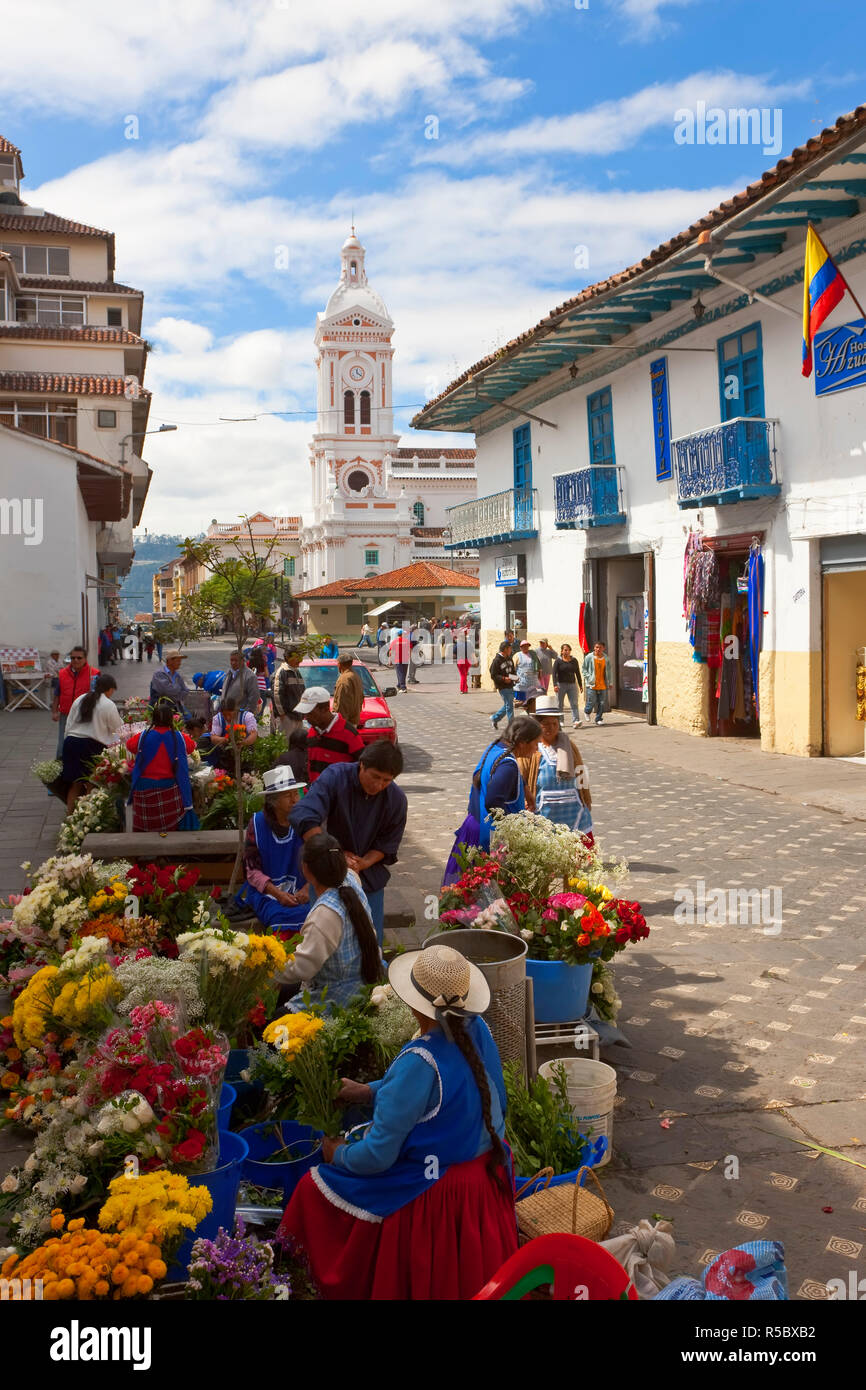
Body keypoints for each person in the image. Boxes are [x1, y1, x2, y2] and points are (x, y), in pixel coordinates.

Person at [277, 943, 517, 1301]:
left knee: (315, 1186)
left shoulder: (419, 1060)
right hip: (483, 1178)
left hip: (436, 1193)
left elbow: (377, 1157)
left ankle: (329, 1280)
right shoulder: (477, 1029)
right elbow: (450, 1092)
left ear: (411, 1002)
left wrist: (337, 1154)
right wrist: (369, 1091)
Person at [289, 739, 407, 945]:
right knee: (322, 940)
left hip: (368, 877)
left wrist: (361, 864)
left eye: (387, 780)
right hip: (327, 872)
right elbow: (304, 815)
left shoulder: (396, 799)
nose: (379, 785)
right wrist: (334, 854)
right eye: (375, 776)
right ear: (362, 764)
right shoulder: (336, 777)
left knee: (369, 942)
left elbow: (387, 844)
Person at [276, 832, 381, 1010]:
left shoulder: (324, 915)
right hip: (365, 975)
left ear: (306, 869)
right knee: (287, 990)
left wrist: (262, 969)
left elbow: (302, 968)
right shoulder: (351, 878)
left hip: (340, 997)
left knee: (273, 1030)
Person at [443, 715, 542, 883]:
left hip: (472, 825)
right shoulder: (508, 766)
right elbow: (492, 801)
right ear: (523, 743)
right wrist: (515, 830)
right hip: (485, 836)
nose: (537, 748)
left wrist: (525, 788)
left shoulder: (495, 748)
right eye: (535, 743)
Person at [235, 766, 310, 934]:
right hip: (267, 892)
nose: (294, 800)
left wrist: (308, 887)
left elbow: (319, 859)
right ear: (273, 801)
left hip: (302, 890)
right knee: (279, 916)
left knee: (315, 915)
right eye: (287, 795)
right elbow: (252, 870)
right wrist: (277, 894)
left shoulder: (304, 821)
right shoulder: (257, 824)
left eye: (295, 793)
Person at [518, 694, 592, 840]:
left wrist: (587, 799)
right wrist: (525, 800)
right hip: (543, 811)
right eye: (546, 723)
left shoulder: (569, 746)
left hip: (572, 811)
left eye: (555, 723)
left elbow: (581, 772)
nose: (551, 728)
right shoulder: (531, 748)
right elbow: (521, 778)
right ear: (537, 724)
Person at [126, 699, 198, 832]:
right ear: (171, 719)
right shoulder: (179, 737)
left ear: (153, 719)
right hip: (169, 793)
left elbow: (129, 745)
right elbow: (192, 746)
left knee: (144, 829)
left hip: (144, 795)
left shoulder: (143, 736)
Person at [61, 673, 123, 813]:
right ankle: (87, 818)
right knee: (91, 784)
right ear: (109, 689)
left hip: (71, 743)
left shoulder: (80, 699)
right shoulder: (108, 704)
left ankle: (70, 817)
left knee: (75, 785)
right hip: (91, 745)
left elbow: (68, 723)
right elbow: (118, 728)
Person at [296, 685, 364, 783]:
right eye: (305, 714)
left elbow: (362, 767)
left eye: (310, 713)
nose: (306, 718)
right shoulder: (311, 733)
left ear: (325, 708)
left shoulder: (348, 733)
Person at [52, 646, 99, 760]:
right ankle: (60, 766)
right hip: (66, 714)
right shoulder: (62, 673)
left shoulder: (93, 674)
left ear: (85, 658)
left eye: (79, 658)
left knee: (85, 741)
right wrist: (54, 711)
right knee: (63, 741)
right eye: (73, 658)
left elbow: (98, 695)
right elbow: (57, 694)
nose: (76, 660)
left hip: (86, 714)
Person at [206, 696, 258, 770]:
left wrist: (244, 742)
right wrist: (226, 740)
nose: (227, 718)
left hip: (245, 750)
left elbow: (253, 734)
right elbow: (214, 737)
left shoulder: (247, 716)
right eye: (224, 715)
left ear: (236, 710)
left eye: (230, 714)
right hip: (226, 751)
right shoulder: (218, 718)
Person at [273, 644, 306, 740]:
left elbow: (302, 692)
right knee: (285, 745)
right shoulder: (282, 672)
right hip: (287, 718)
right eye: (296, 657)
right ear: (287, 657)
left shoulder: (297, 672)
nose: (299, 660)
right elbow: (277, 695)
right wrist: (282, 715)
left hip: (298, 717)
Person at [219, 649, 261, 717]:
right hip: (226, 715)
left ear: (242, 661)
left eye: (236, 660)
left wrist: (246, 714)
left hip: (240, 715)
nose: (233, 663)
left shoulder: (250, 676)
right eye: (231, 660)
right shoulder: (229, 673)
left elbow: (254, 697)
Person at [553, 642, 584, 727]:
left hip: (572, 685)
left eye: (568, 650)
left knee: (574, 703)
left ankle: (576, 721)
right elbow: (554, 673)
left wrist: (580, 685)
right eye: (565, 650)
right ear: (562, 651)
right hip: (560, 685)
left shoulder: (574, 661)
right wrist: (555, 685)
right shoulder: (558, 661)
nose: (566, 651)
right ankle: (560, 721)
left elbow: (577, 673)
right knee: (559, 704)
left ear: (570, 651)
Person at [489, 640, 516, 730]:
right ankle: (511, 726)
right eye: (509, 648)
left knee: (508, 705)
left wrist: (515, 678)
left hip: (510, 685)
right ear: (505, 649)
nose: (511, 650)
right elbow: (493, 675)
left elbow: (512, 671)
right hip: (502, 686)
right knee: (509, 706)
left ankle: (495, 718)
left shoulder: (509, 658)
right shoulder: (496, 661)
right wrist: (504, 679)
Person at [333, 653, 364, 727]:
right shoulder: (355, 676)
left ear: (340, 664)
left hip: (345, 723)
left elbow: (341, 703)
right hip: (353, 720)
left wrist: (338, 722)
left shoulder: (344, 679)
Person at [583, 640, 609, 725]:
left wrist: (610, 682)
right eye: (596, 647)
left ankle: (598, 719)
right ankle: (587, 711)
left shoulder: (606, 658)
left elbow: (609, 671)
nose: (598, 649)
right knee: (592, 701)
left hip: (602, 684)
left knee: (601, 702)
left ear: (603, 648)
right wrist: (589, 678)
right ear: (594, 648)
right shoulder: (589, 657)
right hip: (592, 683)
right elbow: (584, 669)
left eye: (600, 647)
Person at [513, 638, 540, 714]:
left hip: (532, 681)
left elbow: (536, 666)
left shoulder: (532, 655)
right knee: (521, 702)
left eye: (527, 646)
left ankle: (529, 715)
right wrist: (514, 678)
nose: (525, 648)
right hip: (522, 682)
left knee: (531, 701)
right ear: (520, 647)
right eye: (523, 646)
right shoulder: (517, 656)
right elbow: (512, 668)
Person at [389, 627, 411, 693]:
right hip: (405, 659)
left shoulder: (394, 641)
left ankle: (403, 687)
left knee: (400, 673)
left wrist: (390, 660)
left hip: (397, 659)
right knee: (403, 673)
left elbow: (391, 652)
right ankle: (399, 685)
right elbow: (410, 650)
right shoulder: (407, 641)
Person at [456, 622, 473, 695]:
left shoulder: (458, 644)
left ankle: (463, 689)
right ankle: (465, 688)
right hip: (467, 661)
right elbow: (472, 653)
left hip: (460, 660)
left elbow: (454, 654)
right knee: (465, 675)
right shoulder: (469, 644)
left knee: (463, 675)